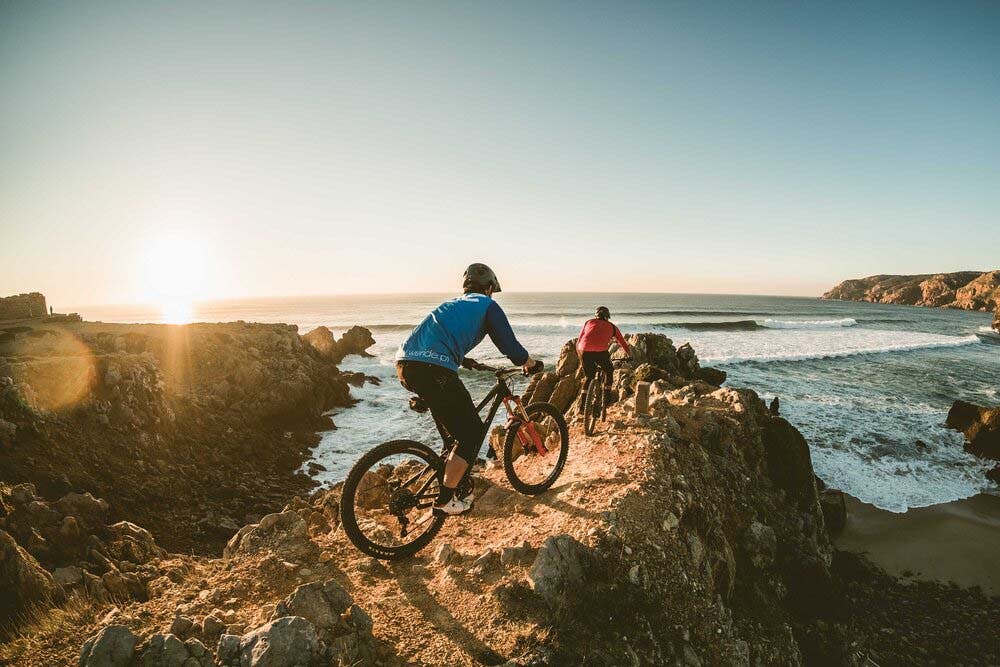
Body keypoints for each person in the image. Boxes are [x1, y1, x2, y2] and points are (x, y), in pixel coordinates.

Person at [395, 263, 539, 516]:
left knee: (455, 433)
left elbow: (438, 335)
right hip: (433, 369)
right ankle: (445, 499)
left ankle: (452, 474)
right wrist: (528, 363)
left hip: (405, 364)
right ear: (490, 288)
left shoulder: (452, 305)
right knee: (472, 433)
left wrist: (464, 360)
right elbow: (509, 345)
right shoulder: (488, 306)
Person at [576, 306, 631, 408]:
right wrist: (629, 355)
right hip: (600, 352)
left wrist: (579, 354)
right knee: (609, 370)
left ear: (596, 316)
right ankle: (606, 399)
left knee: (589, 377)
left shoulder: (588, 322)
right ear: (607, 317)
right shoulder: (613, 327)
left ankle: (583, 405)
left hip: (583, 351)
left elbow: (579, 340)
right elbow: (622, 342)